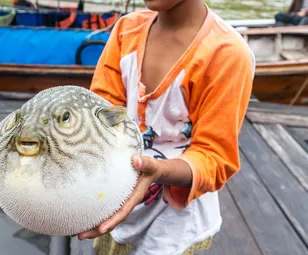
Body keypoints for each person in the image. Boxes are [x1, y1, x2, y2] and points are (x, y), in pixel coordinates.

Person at [66, 0, 256, 254]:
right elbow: (101, 116)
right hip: (115, 207)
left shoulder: (227, 54)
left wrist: (158, 170)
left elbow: (214, 157)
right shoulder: (125, 30)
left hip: (176, 229)